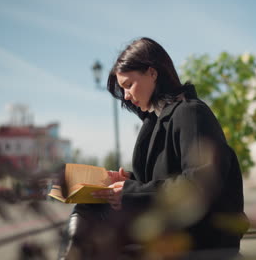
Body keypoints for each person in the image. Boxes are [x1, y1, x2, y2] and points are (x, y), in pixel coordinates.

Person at [58, 37, 246, 259]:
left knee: (95, 223)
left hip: (202, 239)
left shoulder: (190, 113)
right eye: (122, 89)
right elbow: (161, 178)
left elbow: (199, 184)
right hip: (173, 230)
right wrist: (125, 180)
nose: (126, 95)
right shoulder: (154, 122)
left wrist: (128, 191)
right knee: (90, 205)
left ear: (152, 73)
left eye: (128, 85)